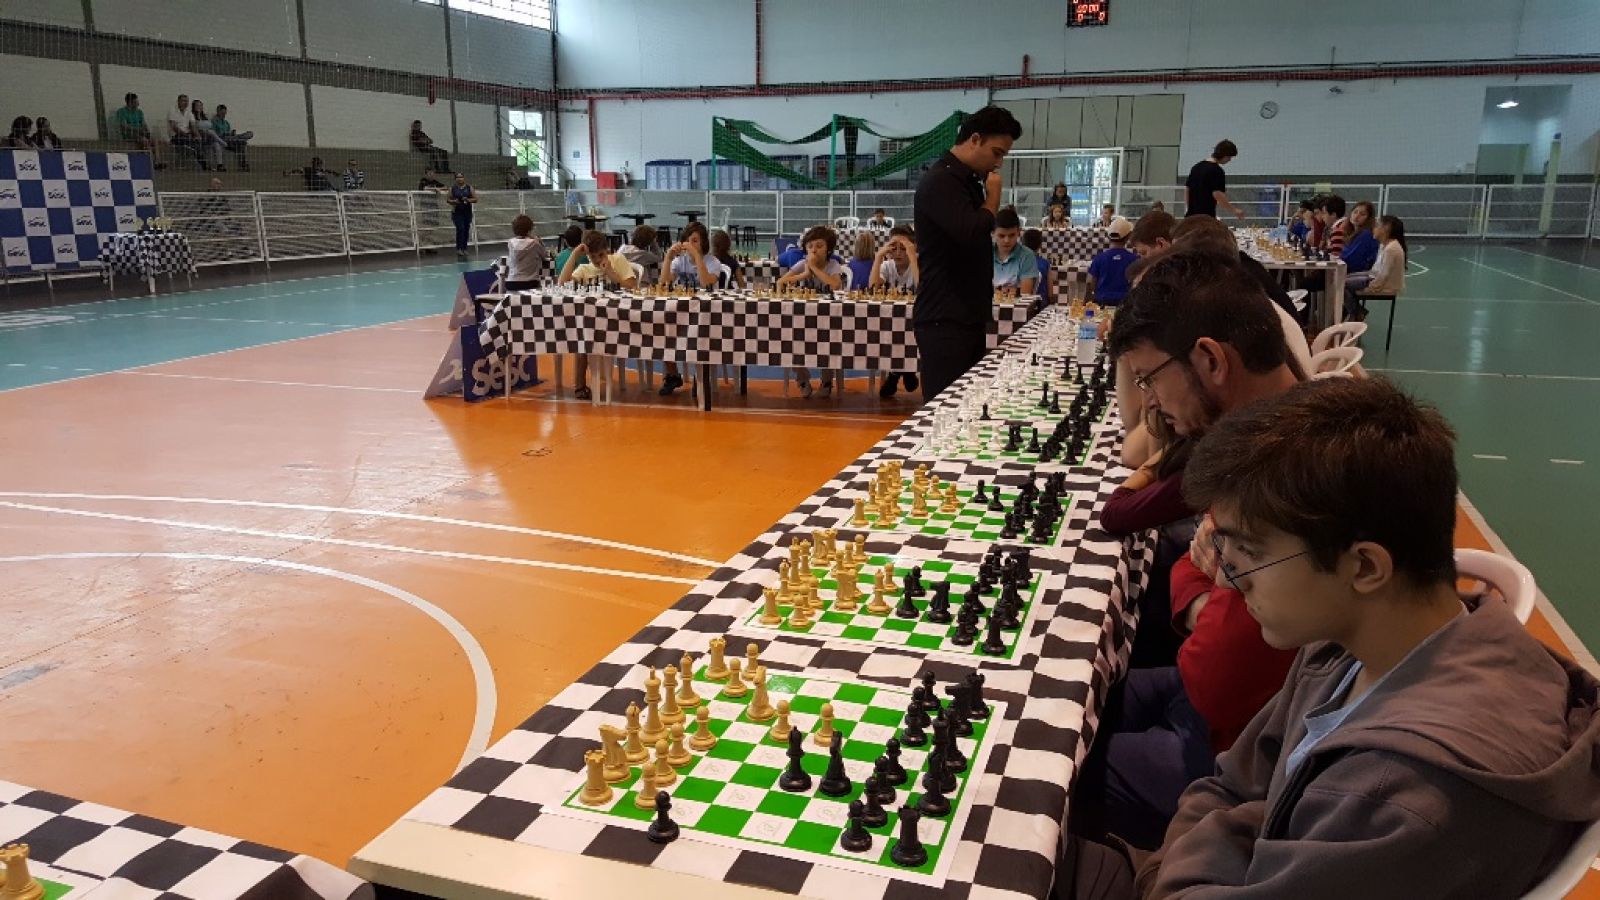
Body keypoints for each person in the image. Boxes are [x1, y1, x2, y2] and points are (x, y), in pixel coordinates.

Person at [1067, 377, 1600, 900]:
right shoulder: (1351, 645)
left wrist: (1188, 857)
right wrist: (1223, 834)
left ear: (1364, 566)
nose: (1230, 579)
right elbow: (1230, 783)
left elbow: (1232, 801)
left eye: (1250, 553)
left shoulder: (1402, 796)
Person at [1072, 252, 1305, 851]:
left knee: (1047, 777)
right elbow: (1190, 565)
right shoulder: (1261, 436)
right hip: (1211, 694)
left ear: (1210, 360)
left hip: (1239, 751)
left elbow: (1221, 676)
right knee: (1066, 702)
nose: (1151, 401)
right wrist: (1206, 591)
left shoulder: (1286, 475)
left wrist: (1207, 589)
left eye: (1149, 377)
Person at [913, 105, 1022, 401]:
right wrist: (994, 197)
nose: (998, 163)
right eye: (996, 153)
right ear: (975, 139)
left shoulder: (965, 180)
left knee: (966, 405)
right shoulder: (941, 181)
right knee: (944, 409)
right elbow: (972, 230)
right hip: (945, 318)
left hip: (965, 315)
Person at [558, 230, 639, 401]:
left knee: (586, 333)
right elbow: (562, 284)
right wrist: (574, 255)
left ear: (607, 250)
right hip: (593, 323)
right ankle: (580, 386)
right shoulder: (585, 268)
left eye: (601, 255)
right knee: (582, 336)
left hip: (619, 320)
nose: (597, 260)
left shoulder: (617, 260)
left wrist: (610, 272)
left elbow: (632, 285)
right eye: (592, 256)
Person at [778, 225, 847, 399]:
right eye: (810, 247)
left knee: (830, 341)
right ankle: (802, 378)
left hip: (828, 318)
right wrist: (804, 274)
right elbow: (780, 283)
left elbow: (835, 284)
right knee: (790, 340)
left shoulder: (833, 265)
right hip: (802, 317)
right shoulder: (802, 264)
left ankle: (827, 379)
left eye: (819, 246)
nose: (814, 250)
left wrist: (815, 269)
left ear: (828, 249)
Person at [656, 221, 723, 396]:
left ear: (703, 243)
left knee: (699, 335)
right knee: (663, 328)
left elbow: (706, 283)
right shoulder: (679, 261)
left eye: (695, 241)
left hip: (707, 313)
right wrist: (668, 258)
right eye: (688, 241)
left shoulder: (713, 262)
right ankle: (672, 375)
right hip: (682, 310)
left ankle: (699, 377)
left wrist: (697, 257)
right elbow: (663, 284)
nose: (691, 245)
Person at [871, 226, 922, 399]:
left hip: (916, 317)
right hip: (891, 320)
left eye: (903, 248)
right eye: (894, 248)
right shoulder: (887, 265)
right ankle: (906, 371)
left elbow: (922, 287)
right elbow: (873, 287)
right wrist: (878, 257)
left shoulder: (918, 264)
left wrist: (913, 257)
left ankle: (894, 375)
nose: (898, 253)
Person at [1345, 214, 1408, 322]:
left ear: (1386, 229)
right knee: (1344, 278)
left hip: (1385, 284)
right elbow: (1378, 270)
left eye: (1377, 225)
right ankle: (1355, 311)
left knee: (1342, 284)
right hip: (1373, 276)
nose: (1374, 229)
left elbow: (1383, 275)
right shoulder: (1385, 245)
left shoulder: (1391, 249)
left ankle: (1356, 312)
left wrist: (1371, 287)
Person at [1184, 139, 1244, 221]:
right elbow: (1217, 194)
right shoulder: (1217, 171)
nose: (1229, 160)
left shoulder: (1196, 167)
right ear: (1224, 155)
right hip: (1206, 217)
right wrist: (1234, 210)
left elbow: (1187, 189)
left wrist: (1188, 208)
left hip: (1190, 217)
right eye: (1229, 157)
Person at [1086, 217, 1137, 306]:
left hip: (1101, 303)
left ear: (1108, 237)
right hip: (1125, 305)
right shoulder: (1135, 259)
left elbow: (1091, 283)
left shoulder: (1099, 258)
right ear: (1128, 237)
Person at [991, 208, 1039, 296]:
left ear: (1018, 232)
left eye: (1012, 235)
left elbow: (1025, 294)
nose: (1006, 240)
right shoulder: (984, 252)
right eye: (1001, 236)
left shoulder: (1027, 255)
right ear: (993, 233)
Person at [114, 93, 164, 167]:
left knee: (154, 140)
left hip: (140, 132)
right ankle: (149, 162)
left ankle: (157, 161)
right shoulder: (121, 112)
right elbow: (124, 125)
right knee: (145, 141)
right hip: (130, 133)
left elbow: (143, 123)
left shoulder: (139, 112)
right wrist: (137, 129)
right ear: (130, 103)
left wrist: (147, 132)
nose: (138, 104)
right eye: (136, 102)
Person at [504, 214, 547, 291]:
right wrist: (540, 242)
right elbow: (544, 256)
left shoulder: (510, 242)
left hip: (512, 282)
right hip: (530, 282)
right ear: (529, 229)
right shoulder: (535, 243)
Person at [167, 94, 206, 169]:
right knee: (193, 142)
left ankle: (202, 162)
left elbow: (193, 127)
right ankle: (202, 163)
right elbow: (174, 127)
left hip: (187, 135)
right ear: (178, 102)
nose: (185, 103)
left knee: (200, 140)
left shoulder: (189, 113)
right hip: (175, 136)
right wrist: (186, 135)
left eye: (187, 101)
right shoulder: (172, 111)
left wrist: (198, 136)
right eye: (183, 101)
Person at [1340, 200, 1379, 274]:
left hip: (1357, 274)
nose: (1357, 216)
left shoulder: (1366, 234)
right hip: (1349, 271)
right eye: (1355, 212)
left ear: (1368, 218)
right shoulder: (1351, 232)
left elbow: (1350, 258)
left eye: (1362, 214)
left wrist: (1335, 254)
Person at [189, 100, 228, 171]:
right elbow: (194, 128)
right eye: (197, 105)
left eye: (201, 105)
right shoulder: (192, 116)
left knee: (216, 144)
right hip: (199, 136)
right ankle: (222, 142)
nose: (199, 107)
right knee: (209, 132)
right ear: (194, 107)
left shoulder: (205, 116)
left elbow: (210, 126)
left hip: (208, 137)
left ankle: (219, 165)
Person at [210, 105, 251, 170]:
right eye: (222, 113)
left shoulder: (226, 123)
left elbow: (229, 132)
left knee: (243, 142)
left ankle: (243, 164)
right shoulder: (214, 121)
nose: (224, 115)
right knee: (241, 140)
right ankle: (240, 138)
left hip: (230, 140)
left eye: (225, 113)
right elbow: (214, 134)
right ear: (218, 112)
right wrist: (225, 134)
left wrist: (232, 133)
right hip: (222, 139)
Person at [1021, 227, 1051, 305]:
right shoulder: (1045, 263)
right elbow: (1050, 293)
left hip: (1021, 305)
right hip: (1041, 305)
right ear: (1040, 245)